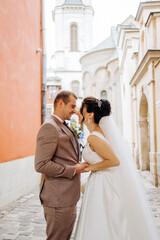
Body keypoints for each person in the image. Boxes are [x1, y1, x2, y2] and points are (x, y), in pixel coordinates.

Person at [74, 96, 159, 240]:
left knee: (100, 220)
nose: (78, 112)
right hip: (99, 181)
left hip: (102, 184)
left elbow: (114, 161)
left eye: (81, 110)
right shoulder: (98, 133)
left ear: (90, 114)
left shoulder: (93, 137)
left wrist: (90, 168)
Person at [35, 90, 89, 240]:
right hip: (57, 199)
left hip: (67, 197)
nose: (74, 110)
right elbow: (41, 165)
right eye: (72, 106)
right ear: (60, 103)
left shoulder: (63, 125)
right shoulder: (50, 127)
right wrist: (74, 169)